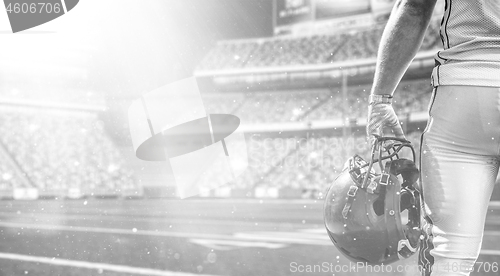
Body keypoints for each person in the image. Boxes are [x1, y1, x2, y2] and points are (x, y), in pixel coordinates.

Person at [366, 0, 500, 275]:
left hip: (465, 91)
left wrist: (380, 101)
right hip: (465, 88)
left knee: (449, 257)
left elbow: (414, 6)